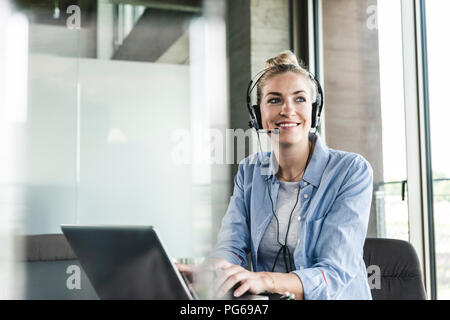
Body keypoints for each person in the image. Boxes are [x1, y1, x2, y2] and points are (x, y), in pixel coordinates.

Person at [177, 50, 373, 300]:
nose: (287, 110)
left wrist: (263, 280)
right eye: (274, 100)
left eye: (300, 99)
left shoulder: (350, 171)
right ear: (257, 115)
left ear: (314, 110)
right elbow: (232, 245)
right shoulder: (250, 171)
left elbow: (332, 274)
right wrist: (214, 271)